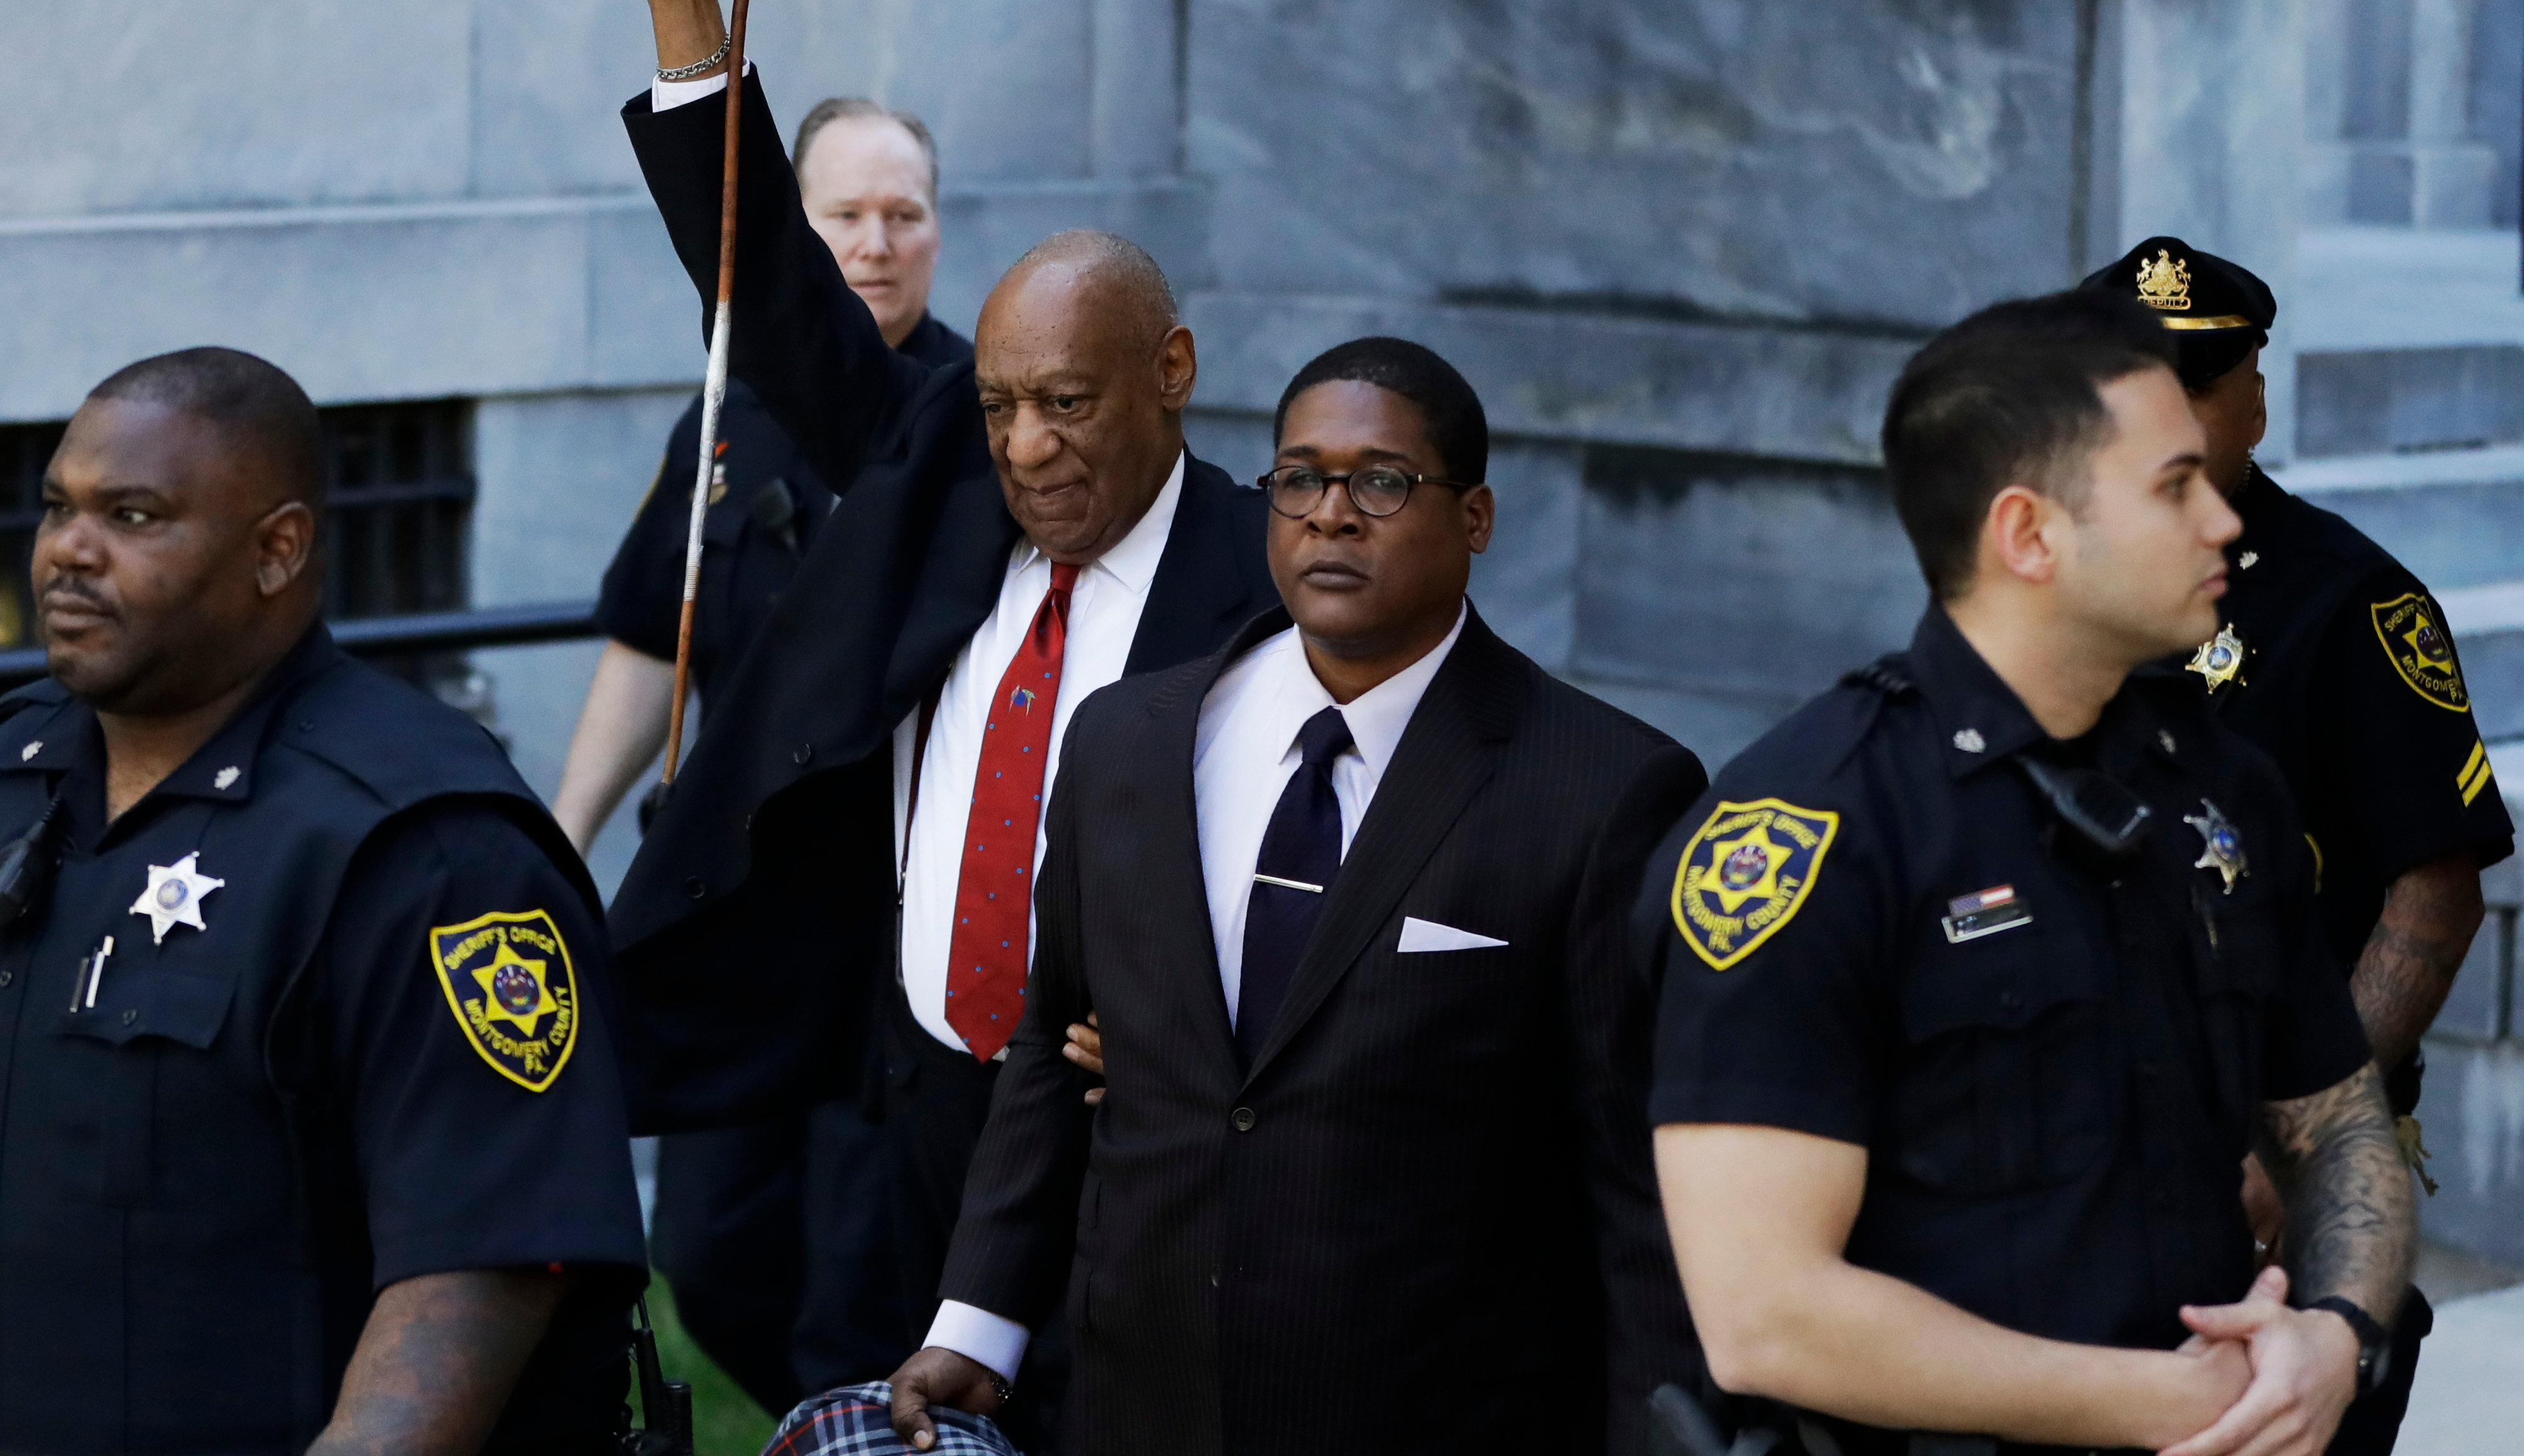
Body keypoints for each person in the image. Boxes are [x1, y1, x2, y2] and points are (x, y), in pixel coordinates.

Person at [597, 0, 1279, 1446]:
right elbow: (771, 301)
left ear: (1171, 374)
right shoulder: (936, 465)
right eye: (1003, 407)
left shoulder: (1260, 578)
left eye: (1073, 405)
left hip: (1137, 1123)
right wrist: (693, 27)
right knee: (847, 1385)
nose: (1033, 447)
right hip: (905, 1075)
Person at [886, 338, 1709, 1456]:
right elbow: (1047, 1046)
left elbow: (1634, 1182)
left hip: (1444, 1413)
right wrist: (977, 1320)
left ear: (1474, 517)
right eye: (1298, 479)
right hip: (1140, 1401)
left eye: (1380, 480)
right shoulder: (1128, 740)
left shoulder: (1605, 790)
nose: (1331, 514)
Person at [1639, 291, 2414, 1456]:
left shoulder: (2217, 786)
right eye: (2172, 486)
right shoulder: (1805, 833)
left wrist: (2334, 1335)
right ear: (2028, 534)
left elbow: (2339, 1123)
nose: (2223, 523)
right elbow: (1765, 1317)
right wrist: (2170, 1404)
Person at [0, 348, 645, 1453]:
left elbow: (485, 1262)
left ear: (277, 549)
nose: (67, 552)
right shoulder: (5, 774)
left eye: (133, 515)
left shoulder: (428, 845)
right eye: (58, 507)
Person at [553, 95, 967, 1415]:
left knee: (860, 1272)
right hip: (740, 912)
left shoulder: (975, 423)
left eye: (904, 213)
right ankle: (820, 1420)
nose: (877, 241)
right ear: (798, 228)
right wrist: (559, 841)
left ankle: (845, 1423)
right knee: (706, 1251)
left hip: (887, 923)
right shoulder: (725, 418)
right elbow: (647, 642)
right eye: (844, 213)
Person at [2082, 234, 2512, 1455]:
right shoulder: (2052, 576)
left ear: (2254, 399)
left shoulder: (2349, 602)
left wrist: (2297, 1139)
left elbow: (2433, 897)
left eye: (2191, 385)